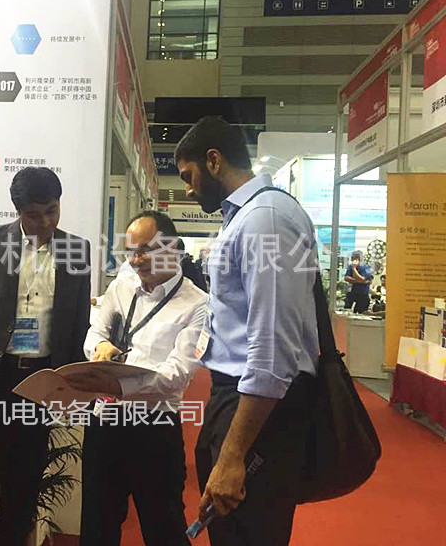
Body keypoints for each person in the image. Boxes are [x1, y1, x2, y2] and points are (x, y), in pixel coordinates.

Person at [174, 116, 319, 546]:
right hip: (237, 398)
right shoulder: (243, 217)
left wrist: (234, 453)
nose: (187, 189)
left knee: (248, 531)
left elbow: (272, 347)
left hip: (257, 408)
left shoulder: (264, 219)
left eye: (188, 176)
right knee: (230, 529)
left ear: (213, 161)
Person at [0, 167, 92, 546]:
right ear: (18, 210)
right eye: (34, 214)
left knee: (24, 481)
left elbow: (79, 323)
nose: (45, 222)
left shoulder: (76, 250)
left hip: (40, 381)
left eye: (52, 211)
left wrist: (73, 386)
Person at [67, 210, 207, 546]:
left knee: (164, 528)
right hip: (105, 421)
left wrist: (117, 384)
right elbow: (94, 333)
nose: (136, 260)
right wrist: (100, 347)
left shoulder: (198, 305)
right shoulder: (121, 287)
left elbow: (175, 375)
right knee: (97, 526)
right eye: (131, 252)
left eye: (145, 250)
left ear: (172, 247)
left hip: (154, 429)